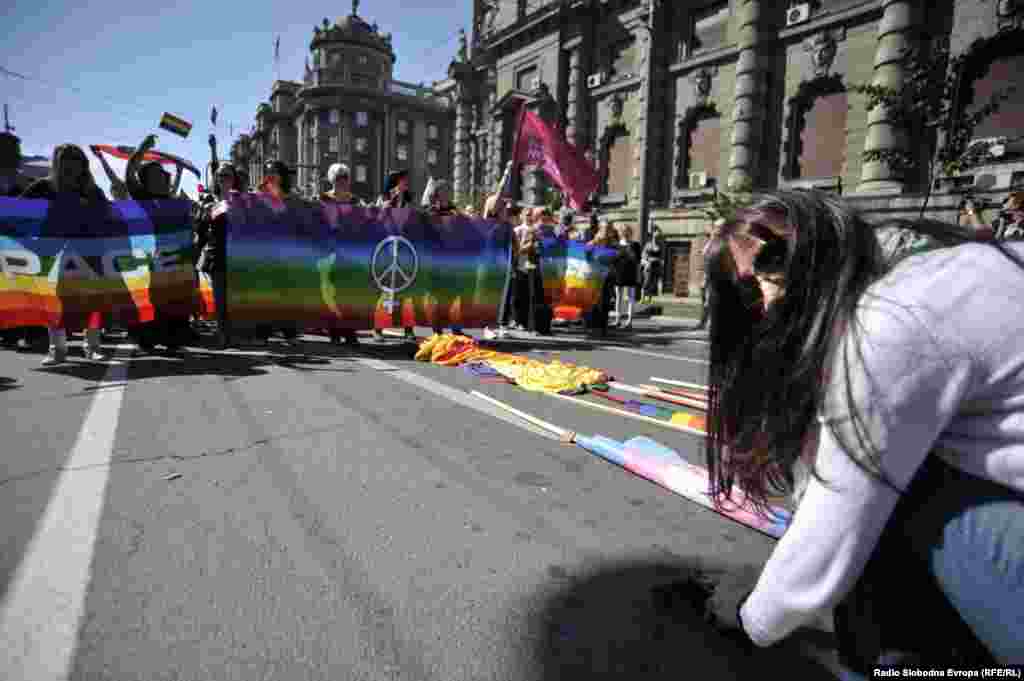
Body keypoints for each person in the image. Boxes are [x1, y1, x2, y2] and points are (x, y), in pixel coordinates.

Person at [695, 190, 1023, 671]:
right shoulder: (924, 265)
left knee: (895, 492)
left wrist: (753, 617)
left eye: (774, 263)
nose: (765, 301)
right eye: (747, 290)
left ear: (823, 245)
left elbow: (840, 510)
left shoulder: (892, 321)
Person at [21, 144, 109, 364]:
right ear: (57, 163)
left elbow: (109, 217)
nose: (71, 165)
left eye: (75, 160)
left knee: (91, 301)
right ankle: (57, 349)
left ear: (83, 165)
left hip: (88, 252)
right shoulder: (43, 187)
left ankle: (93, 347)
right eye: (65, 160)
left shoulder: (93, 191)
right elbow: (16, 210)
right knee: (54, 301)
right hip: (53, 252)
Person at [124, 134, 191, 355]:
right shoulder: (142, 198)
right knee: (149, 301)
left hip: (173, 263)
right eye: (154, 176)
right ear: (146, 182)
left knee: (172, 301)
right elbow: (129, 173)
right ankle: (147, 337)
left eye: (162, 175)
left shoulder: (175, 203)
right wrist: (141, 149)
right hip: (147, 263)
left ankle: (173, 337)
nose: (161, 179)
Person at [195, 163, 239, 349]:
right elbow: (201, 230)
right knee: (220, 298)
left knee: (234, 298)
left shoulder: (241, 199)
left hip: (238, 254)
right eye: (220, 176)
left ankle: (233, 332)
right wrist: (203, 215)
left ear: (233, 179)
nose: (224, 179)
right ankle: (222, 333)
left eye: (227, 175)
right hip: (217, 254)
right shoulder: (208, 200)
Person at [320, 163, 360, 346]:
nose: (342, 181)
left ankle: (350, 331)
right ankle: (334, 331)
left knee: (350, 293)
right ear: (332, 180)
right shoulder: (324, 199)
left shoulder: (355, 201)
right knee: (331, 292)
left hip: (349, 252)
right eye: (338, 178)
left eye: (345, 178)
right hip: (329, 251)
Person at [376, 169, 416, 340]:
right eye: (402, 180)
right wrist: (385, 207)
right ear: (394, 184)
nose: (405, 183)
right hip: (385, 251)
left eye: (406, 181)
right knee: (384, 290)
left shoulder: (408, 205)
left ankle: (408, 329)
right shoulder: (383, 202)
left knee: (406, 291)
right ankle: (378, 328)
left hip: (403, 252)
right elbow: (375, 222)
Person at [611, 224, 640, 329]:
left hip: (631, 274)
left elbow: (638, 262)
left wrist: (638, 276)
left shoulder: (635, 245)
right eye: (623, 231)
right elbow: (613, 260)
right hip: (619, 273)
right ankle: (617, 319)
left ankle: (629, 321)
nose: (625, 233)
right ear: (620, 232)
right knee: (618, 297)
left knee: (631, 298)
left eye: (627, 231)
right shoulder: (616, 245)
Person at [640, 222, 663, 303]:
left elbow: (661, 257)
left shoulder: (660, 245)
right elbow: (643, 256)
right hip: (649, 266)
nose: (658, 235)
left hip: (656, 266)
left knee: (653, 284)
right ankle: (642, 298)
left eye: (659, 235)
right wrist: (646, 262)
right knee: (646, 282)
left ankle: (649, 299)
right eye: (656, 233)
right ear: (653, 235)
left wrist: (660, 264)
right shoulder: (648, 245)